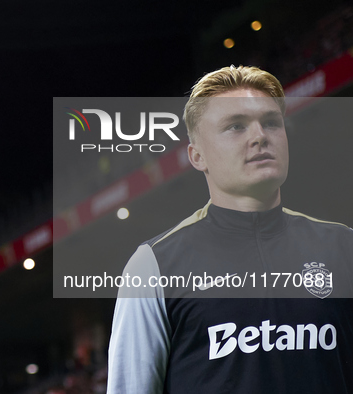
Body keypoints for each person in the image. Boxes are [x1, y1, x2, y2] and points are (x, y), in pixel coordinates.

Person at [106, 65, 353, 393]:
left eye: (271, 123)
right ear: (197, 156)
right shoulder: (154, 266)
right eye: (236, 126)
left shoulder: (343, 248)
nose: (260, 136)